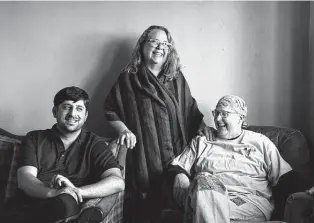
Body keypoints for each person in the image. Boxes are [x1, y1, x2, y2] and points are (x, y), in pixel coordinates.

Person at [104, 25, 212, 222]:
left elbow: (191, 111)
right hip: (143, 155)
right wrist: (124, 130)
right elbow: (110, 108)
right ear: (143, 45)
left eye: (165, 43)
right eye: (154, 41)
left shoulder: (177, 78)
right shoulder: (128, 78)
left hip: (176, 155)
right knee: (144, 210)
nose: (160, 47)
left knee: (174, 207)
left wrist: (203, 133)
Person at [168, 95, 292, 223]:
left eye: (224, 114)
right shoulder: (202, 142)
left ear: (240, 118)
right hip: (206, 197)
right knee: (204, 181)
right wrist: (180, 176)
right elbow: (177, 166)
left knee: (205, 209)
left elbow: (285, 178)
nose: (217, 119)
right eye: (216, 113)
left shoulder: (260, 142)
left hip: (247, 202)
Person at [14, 86, 125, 223]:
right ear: (55, 111)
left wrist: (74, 191)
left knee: (66, 202)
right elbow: (25, 179)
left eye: (79, 109)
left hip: (68, 209)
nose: (73, 114)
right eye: (67, 107)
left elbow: (117, 182)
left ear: (85, 116)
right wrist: (53, 192)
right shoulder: (34, 138)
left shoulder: (95, 144)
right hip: (30, 206)